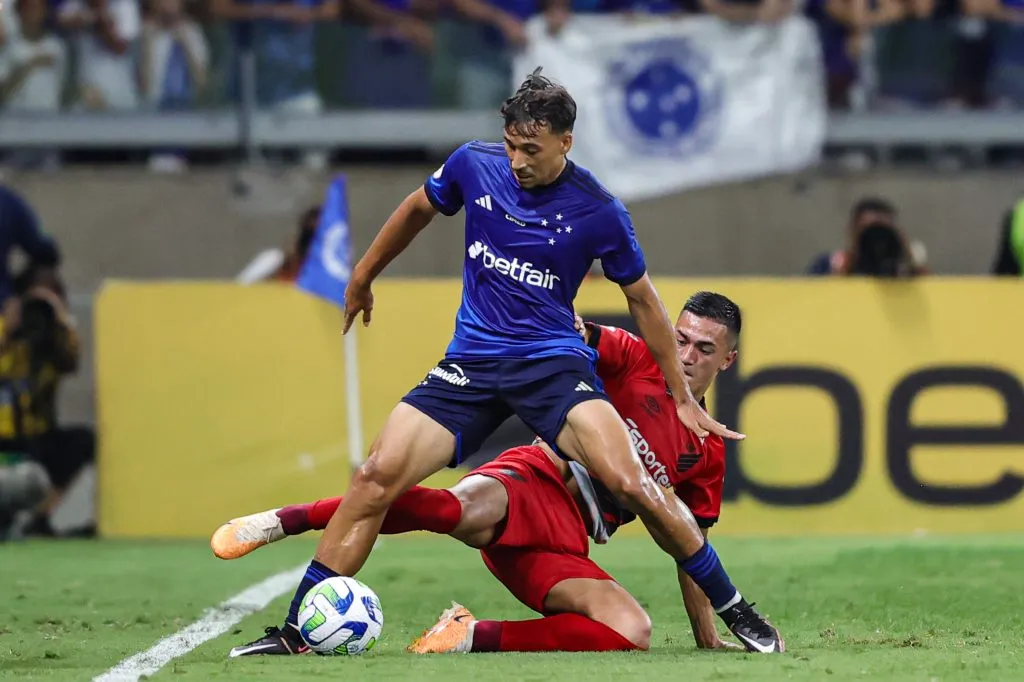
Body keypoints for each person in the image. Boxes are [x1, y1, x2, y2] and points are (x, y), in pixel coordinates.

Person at [229, 68, 755, 656]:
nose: (516, 161)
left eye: (531, 149)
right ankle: (297, 629)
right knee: (377, 475)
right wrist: (364, 274)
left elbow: (644, 300)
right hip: (473, 362)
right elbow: (417, 208)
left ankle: (738, 612)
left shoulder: (599, 210)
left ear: (565, 142)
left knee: (631, 483)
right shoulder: (474, 165)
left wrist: (682, 398)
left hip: (549, 366)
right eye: (510, 145)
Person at [215, 292, 784, 654]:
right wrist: (560, 320)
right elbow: (583, 332)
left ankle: (467, 634)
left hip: (564, 541)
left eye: (703, 348)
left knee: (630, 630)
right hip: (533, 480)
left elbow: (690, 544)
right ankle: (283, 521)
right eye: (680, 339)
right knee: (452, 508)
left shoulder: (708, 450)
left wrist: (708, 637)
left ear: (727, 359)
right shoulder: (636, 357)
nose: (686, 356)